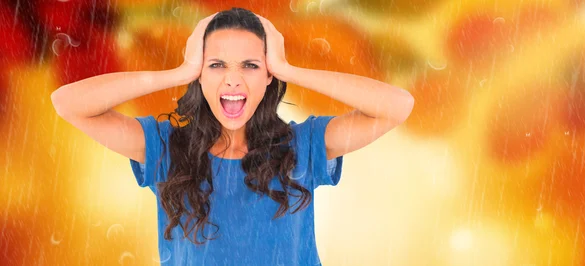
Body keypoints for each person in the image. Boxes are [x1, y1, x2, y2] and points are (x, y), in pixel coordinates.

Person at [50, 7, 414, 266]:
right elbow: (68, 103)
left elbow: (397, 106)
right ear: (200, 76)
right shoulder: (165, 148)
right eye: (217, 65)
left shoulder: (304, 145)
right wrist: (180, 71)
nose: (233, 80)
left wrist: (289, 68)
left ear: (268, 75)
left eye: (251, 66)